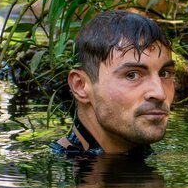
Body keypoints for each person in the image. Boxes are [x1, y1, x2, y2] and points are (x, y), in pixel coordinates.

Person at [52, 10, 176, 156]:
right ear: (80, 86)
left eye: (164, 73)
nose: (159, 93)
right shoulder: (52, 174)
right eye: (132, 75)